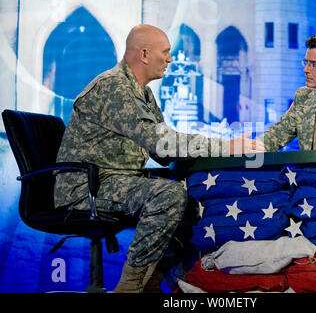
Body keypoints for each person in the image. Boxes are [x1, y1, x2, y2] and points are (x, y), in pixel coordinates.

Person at [53, 24, 263, 293]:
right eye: (165, 52)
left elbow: (162, 149)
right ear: (144, 54)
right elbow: (162, 145)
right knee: (168, 196)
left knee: (189, 193)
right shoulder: (114, 88)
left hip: (113, 181)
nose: (170, 59)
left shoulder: (142, 92)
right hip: (86, 189)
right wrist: (226, 146)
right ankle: (130, 288)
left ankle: (158, 279)